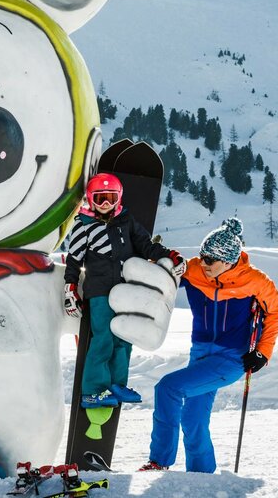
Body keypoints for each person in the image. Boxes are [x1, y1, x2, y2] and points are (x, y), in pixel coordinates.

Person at [139, 217, 278, 473]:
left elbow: (276, 312)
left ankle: (159, 462)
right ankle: (201, 477)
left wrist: (263, 352)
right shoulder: (195, 269)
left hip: (230, 359)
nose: (202, 263)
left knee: (168, 388)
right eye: (202, 256)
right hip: (201, 355)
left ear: (228, 261)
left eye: (209, 259)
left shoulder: (255, 281)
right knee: (193, 419)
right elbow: (163, 278)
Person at [63, 172, 182, 408]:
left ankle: (117, 385)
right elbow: (74, 260)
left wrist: (168, 255)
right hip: (99, 291)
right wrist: (71, 288)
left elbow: (145, 246)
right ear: (90, 199)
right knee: (103, 338)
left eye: (110, 198)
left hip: (127, 291)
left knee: (125, 337)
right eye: (100, 199)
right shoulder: (83, 226)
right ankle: (94, 390)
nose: (105, 204)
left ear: (119, 199)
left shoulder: (126, 221)